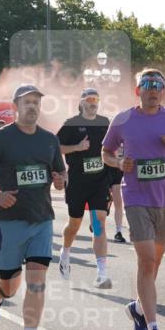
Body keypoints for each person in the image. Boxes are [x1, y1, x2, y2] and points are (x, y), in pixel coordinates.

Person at [102, 69, 165, 330]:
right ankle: (154, 329)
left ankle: (138, 308)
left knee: (154, 265)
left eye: (158, 86)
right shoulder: (123, 120)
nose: (153, 90)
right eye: (147, 85)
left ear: (163, 91)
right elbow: (105, 152)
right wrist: (119, 165)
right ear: (137, 90)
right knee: (146, 261)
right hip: (135, 198)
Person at [0, 84, 66, 330]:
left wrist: (62, 181)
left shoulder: (49, 140)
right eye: (27, 102)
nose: (32, 107)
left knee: (37, 284)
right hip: (8, 222)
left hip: (41, 219)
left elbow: (60, 174)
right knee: (9, 286)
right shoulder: (1, 138)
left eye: (36, 102)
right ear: (16, 105)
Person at [56, 87, 114, 288]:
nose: (93, 102)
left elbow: (114, 146)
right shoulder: (72, 124)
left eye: (96, 99)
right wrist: (77, 148)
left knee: (99, 224)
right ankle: (65, 252)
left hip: (99, 183)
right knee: (74, 225)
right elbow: (56, 148)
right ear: (81, 103)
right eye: (89, 99)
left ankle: (102, 273)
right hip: (77, 183)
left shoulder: (105, 123)